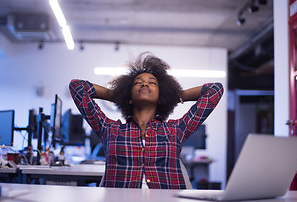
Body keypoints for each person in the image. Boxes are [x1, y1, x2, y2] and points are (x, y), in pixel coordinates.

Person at [69, 54, 224, 189]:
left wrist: (174, 96)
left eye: (152, 83)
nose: (144, 84)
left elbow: (214, 90)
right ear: (129, 95)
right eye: (138, 83)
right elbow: (77, 87)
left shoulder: (176, 130)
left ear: (161, 95)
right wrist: (117, 95)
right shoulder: (110, 129)